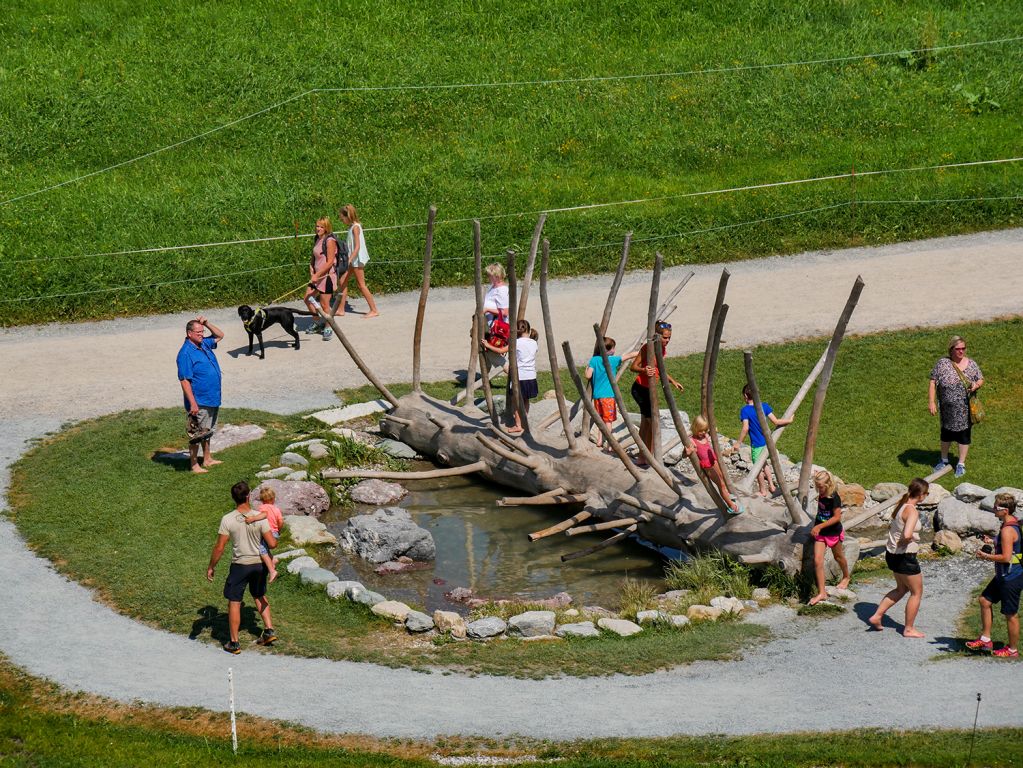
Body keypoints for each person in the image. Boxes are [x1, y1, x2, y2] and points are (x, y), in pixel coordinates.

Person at [206, 481, 279, 654]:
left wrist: (211, 567)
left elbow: (220, 547)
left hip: (240, 566)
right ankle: (268, 630)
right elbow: (272, 544)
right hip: (259, 565)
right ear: (248, 496)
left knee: (234, 601)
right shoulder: (260, 516)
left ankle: (234, 643)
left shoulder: (227, 519)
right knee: (259, 595)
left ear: (234, 498)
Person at [868, 477, 929, 638]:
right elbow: (907, 534)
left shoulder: (900, 506)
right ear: (921, 494)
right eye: (926, 494)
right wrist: (907, 541)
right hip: (905, 557)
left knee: (901, 589)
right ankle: (908, 628)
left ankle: (877, 615)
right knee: (916, 593)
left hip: (892, 555)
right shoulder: (912, 510)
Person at [966, 493, 1021, 658]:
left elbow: (1005, 557)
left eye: (996, 507)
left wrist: (985, 556)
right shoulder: (1012, 523)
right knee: (984, 600)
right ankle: (986, 639)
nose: (993, 510)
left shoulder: (1007, 530)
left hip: (1011, 576)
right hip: (1004, 575)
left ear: (1005, 510)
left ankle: (1012, 650)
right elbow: (1009, 544)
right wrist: (992, 540)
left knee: (1010, 614)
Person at [929, 335, 983, 478]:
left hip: (965, 410)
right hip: (947, 409)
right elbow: (933, 381)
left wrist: (976, 385)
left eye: (963, 348)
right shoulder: (942, 363)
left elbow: (981, 379)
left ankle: (961, 464)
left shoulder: (971, 364)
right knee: (945, 434)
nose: (961, 351)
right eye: (958, 349)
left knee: (963, 436)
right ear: (951, 349)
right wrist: (932, 401)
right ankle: (944, 460)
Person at [629, 321, 683, 465]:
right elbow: (633, 367)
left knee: (647, 424)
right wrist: (644, 369)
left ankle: (644, 456)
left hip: (649, 390)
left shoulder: (662, 350)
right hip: (640, 389)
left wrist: (673, 381)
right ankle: (647, 455)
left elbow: (660, 368)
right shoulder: (648, 348)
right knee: (651, 423)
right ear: (657, 336)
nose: (668, 341)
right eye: (665, 338)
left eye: (669, 338)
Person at [176, 315, 225, 474]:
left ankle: (208, 459)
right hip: (200, 400)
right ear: (189, 333)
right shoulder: (185, 353)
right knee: (197, 434)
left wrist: (207, 323)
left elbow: (220, 335)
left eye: (202, 331)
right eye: (198, 332)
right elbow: (184, 381)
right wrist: (193, 404)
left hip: (212, 397)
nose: (202, 334)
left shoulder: (203, 344)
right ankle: (194, 465)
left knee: (208, 430)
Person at [733, 385, 794, 496]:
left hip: (756, 445)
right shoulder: (764, 406)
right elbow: (776, 421)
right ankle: (771, 485)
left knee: (758, 468)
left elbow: (745, 428)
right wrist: (789, 420)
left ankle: (763, 490)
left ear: (746, 396)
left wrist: (738, 443)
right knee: (764, 464)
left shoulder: (745, 410)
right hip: (767, 443)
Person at [585, 336, 639, 452]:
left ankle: (599, 440)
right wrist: (641, 351)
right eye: (613, 348)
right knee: (608, 421)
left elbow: (588, 376)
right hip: (608, 396)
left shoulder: (594, 360)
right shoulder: (613, 360)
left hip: (597, 396)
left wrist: (587, 368)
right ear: (609, 350)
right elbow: (629, 356)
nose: (614, 350)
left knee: (600, 419)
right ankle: (609, 443)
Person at [807, 470, 850, 605]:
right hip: (821, 533)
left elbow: (837, 517)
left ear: (828, 484)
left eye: (820, 487)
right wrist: (818, 527)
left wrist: (819, 527)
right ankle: (822, 592)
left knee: (838, 557)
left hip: (833, 533)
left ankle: (846, 576)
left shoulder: (834, 497)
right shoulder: (821, 493)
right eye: (817, 486)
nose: (818, 489)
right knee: (818, 561)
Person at [687, 415, 741, 514]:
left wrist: (712, 430)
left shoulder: (705, 435)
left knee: (723, 477)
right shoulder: (692, 440)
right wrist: (688, 452)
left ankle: (728, 495)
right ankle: (731, 506)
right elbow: (685, 454)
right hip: (707, 466)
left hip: (714, 460)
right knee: (721, 485)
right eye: (701, 430)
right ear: (695, 428)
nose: (703, 433)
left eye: (705, 430)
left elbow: (711, 430)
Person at [334, 204, 379, 319]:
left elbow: (357, 246)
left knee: (361, 285)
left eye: (342, 218)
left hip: (357, 260)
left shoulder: (355, 228)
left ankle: (374, 310)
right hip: (352, 259)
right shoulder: (351, 227)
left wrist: (349, 259)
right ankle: (341, 309)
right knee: (343, 281)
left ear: (347, 216)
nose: (341, 220)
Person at [303, 217, 338, 340]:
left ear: (326, 228)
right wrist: (311, 267)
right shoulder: (317, 238)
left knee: (324, 305)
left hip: (327, 277)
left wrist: (317, 275)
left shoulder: (330, 241)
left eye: (321, 227)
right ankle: (318, 322)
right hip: (316, 276)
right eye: (317, 226)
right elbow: (315, 256)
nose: (318, 229)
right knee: (307, 298)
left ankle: (328, 327)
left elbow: (329, 263)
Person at [505, 319, 538, 434]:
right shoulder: (534, 343)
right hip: (531, 376)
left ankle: (518, 425)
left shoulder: (516, 343)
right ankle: (524, 421)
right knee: (526, 400)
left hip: (519, 376)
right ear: (528, 330)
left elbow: (502, 350)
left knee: (516, 402)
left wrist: (488, 345)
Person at [245, 485, 284, 583]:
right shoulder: (276, 509)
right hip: (275, 532)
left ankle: (272, 571)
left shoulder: (262, 507)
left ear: (262, 500)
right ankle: (272, 560)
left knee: (261, 550)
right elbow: (280, 521)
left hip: (267, 532)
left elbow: (264, 515)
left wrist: (253, 518)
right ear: (273, 498)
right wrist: (278, 529)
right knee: (264, 547)